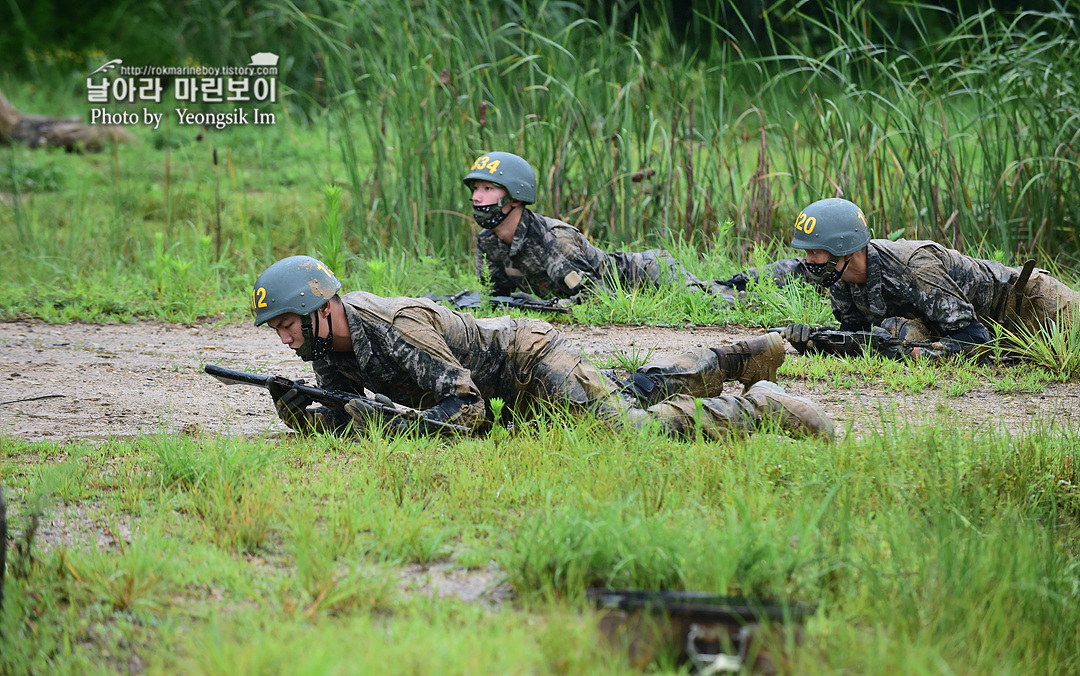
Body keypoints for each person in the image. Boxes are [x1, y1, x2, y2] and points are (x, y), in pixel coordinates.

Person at [251, 255, 834, 440]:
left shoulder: (392, 324)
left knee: (627, 432)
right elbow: (350, 418)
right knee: (624, 397)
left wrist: (403, 427)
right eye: (275, 330)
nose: (283, 339)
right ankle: (727, 359)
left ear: (317, 308)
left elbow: (466, 409)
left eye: (285, 325)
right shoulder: (326, 350)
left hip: (525, 361)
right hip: (508, 395)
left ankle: (766, 409)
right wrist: (301, 413)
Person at [464, 151, 805, 304]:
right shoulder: (488, 242)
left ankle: (785, 280)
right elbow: (498, 298)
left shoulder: (555, 240)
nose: (478, 197)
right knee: (716, 288)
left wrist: (541, 306)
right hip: (630, 283)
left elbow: (595, 299)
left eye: (488, 189)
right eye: (475, 189)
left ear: (516, 197)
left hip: (648, 276)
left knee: (716, 300)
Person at [777, 197, 1080, 359]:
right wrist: (815, 342)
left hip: (1032, 305)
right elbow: (858, 336)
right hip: (996, 328)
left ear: (843, 250)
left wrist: (924, 354)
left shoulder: (913, 266)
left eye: (815, 252)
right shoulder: (840, 278)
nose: (808, 261)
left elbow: (974, 337)